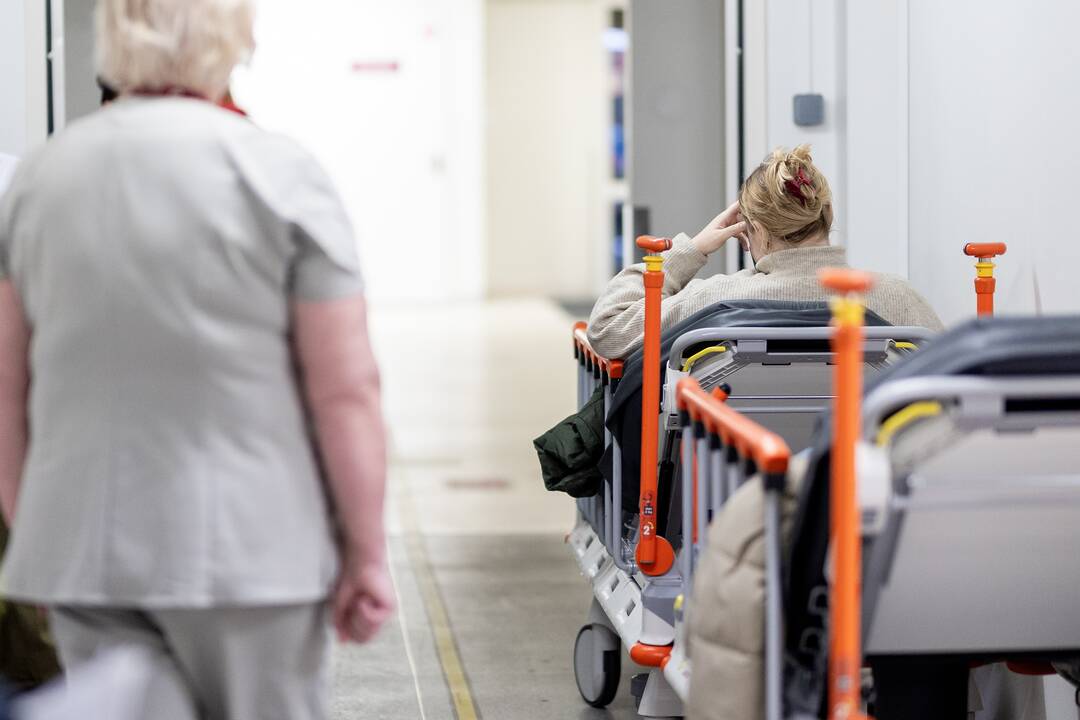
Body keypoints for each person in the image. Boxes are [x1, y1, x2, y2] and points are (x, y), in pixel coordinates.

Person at [0, 1, 393, 718]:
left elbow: (8, 388)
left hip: (85, 557)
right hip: (253, 557)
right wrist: (366, 553)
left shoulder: (38, 181)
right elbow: (346, 392)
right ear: (234, 37)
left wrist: (36, 532)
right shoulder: (281, 175)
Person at [587, 145, 943, 359]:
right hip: (862, 474)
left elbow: (608, 329)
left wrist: (691, 250)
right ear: (828, 215)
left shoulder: (716, 300)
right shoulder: (897, 298)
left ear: (751, 229)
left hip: (728, 476)